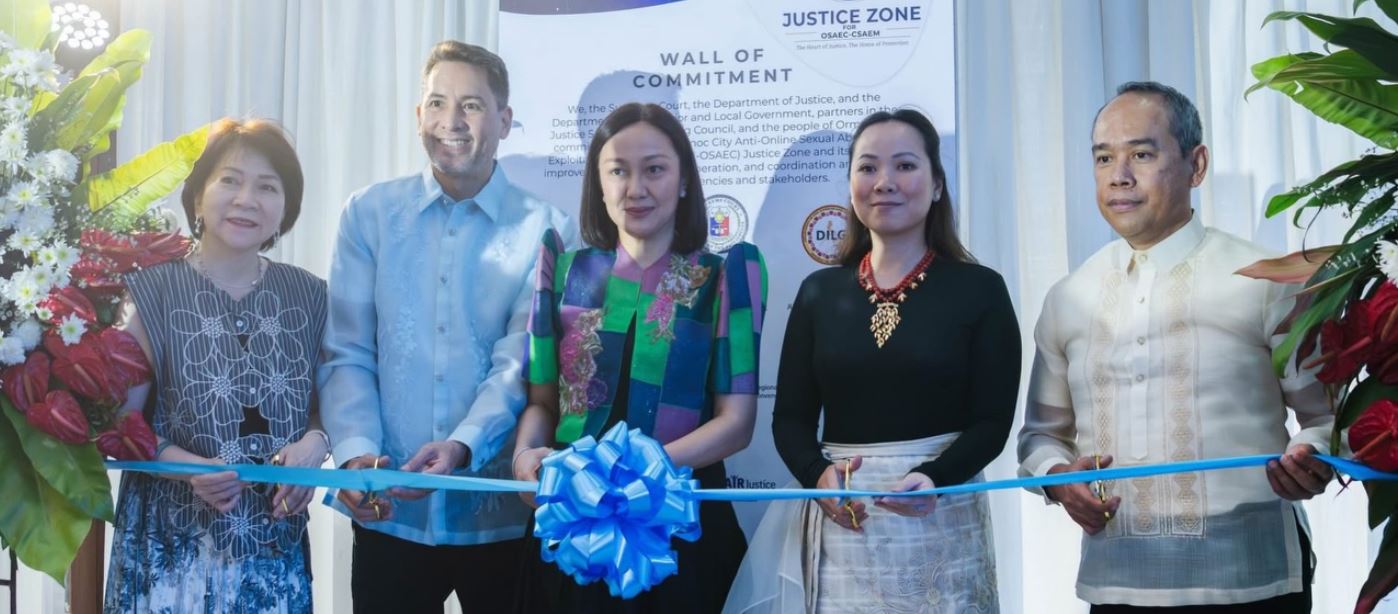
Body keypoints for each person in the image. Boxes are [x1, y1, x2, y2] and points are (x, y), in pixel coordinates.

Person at [1016, 81, 1334, 613]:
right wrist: (1058, 481)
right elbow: (1039, 438)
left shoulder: (1265, 280)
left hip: (1254, 582)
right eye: (1103, 158)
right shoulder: (1069, 297)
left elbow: (1329, 418)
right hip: (1116, 587)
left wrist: (1313, 460)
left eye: (1141, 154)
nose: (1119, 176)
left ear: (1197, 165)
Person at [318, 40, 577, 613]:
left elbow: (519, 364)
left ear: (505, 120)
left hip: (500, 512)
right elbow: (348, 351)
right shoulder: (368, 214)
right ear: (418, 116)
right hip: (389, 508)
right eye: (437, 103)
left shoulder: (548, 228)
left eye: (472, 105)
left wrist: (463, 446)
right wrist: (358, 457)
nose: (451, 121)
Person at [729, 108, 1019, 614]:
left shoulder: (981, 289)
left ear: (936, 184)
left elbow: (993, 422)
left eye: (905, 165)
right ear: (850, 185)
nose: (884, 182)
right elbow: (791, 419)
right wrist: (818, 477)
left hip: (943, 518)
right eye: (867, 167)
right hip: (845, 523)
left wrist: (936, 477)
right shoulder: (819, 292)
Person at [511, 102, 767, 613]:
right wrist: (524, 457)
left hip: (681, 526)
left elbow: (736, 423)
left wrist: (636, 471)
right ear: (598, 184)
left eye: (654, 169)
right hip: (572, 519)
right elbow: (542, 403)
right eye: (618, 171)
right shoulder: (563, 274)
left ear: (684, 180)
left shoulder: (725, 278)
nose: (635, 188)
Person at [104, 118, 328, 612]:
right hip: (168, 554)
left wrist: (315, 446)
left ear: (286, 207)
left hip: (273, 556)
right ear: (198, 196)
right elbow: (122, 425)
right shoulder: (152, 292)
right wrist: (189, 470)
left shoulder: (310, 295)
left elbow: (326, 406)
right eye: (230, 180)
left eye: (267, 187)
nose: (247, 199)